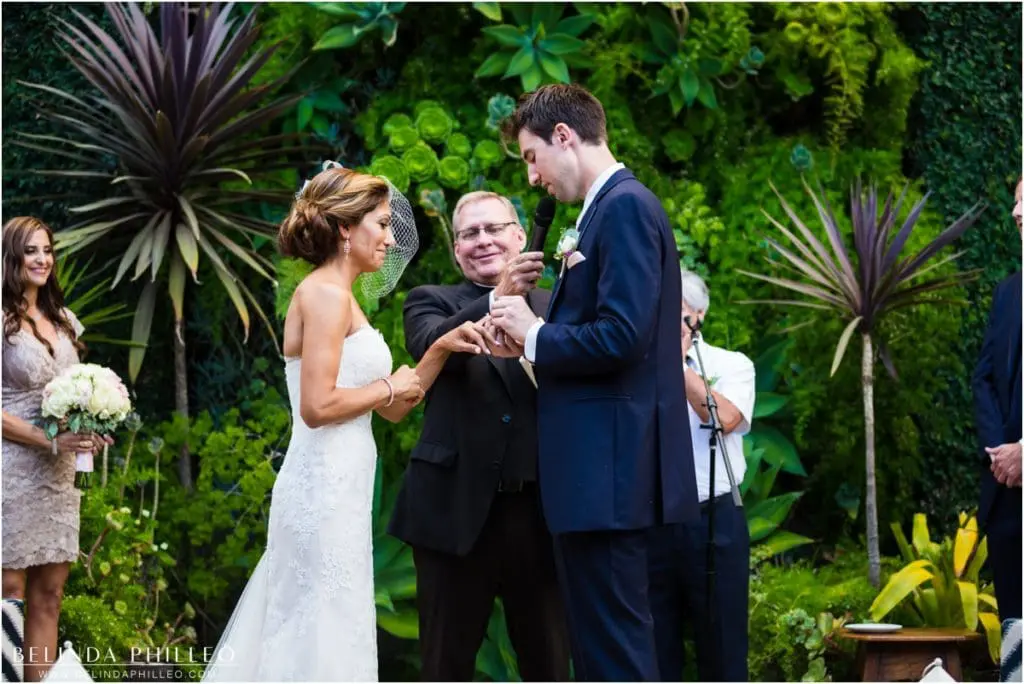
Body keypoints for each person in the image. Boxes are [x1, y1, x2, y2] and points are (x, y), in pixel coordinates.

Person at [202, 165, 490, 682]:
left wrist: (441, 349)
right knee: (317, 621)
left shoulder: (345, 297)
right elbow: (316, 407)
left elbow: (396, 405)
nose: (390, 237)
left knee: (337, 617)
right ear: (343, 229)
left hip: (346, 484)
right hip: (321, 487)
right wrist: (386, 387)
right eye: (380, 224)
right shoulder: (325, 295)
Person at [490, 84, 698, 681]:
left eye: (531, 158)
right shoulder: (603, 209)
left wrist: (534, 332)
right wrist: (531, 337)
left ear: (564, 136)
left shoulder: (625, 206)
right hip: (595, 479)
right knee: (599, 648)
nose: (532, 179)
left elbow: (622, 336)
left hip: (607, 476)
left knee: (616, 651)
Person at [389, 191, 570, 681]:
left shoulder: (556, 306)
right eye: (470, 233)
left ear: (518, 237)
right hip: (452, 513)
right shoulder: (430, 300)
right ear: (456, 252)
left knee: (549, 663)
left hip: (539, 516)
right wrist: (497, 300)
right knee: (444, 664)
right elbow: (429, 344)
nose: (483, 240)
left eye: (494, 229)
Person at [1, 217, 109, 682]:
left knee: (51, 595)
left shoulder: (64, 320)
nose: (43, 259)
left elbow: (76, 389)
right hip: (11, 470)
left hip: (61, 474)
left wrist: (93, 426)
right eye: (31, 251)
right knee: (10, 592)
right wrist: (47, 438)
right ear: (12, 258)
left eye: (47, 250)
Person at [647, 269, 754, 682]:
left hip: (714, 520)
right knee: (654, 650)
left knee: (723, 648)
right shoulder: (633, 368)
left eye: (676, 311)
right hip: (651, 519)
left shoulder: (731, 364)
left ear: (699, 315)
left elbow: (725, 418)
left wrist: (675, 362)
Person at [972, 177, 1022, 622]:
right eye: (1015, 203)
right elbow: (983, 378)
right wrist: (1003, 456)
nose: (1016, 213)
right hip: (1009, 494)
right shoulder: (1008, 292)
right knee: (1016, 633)